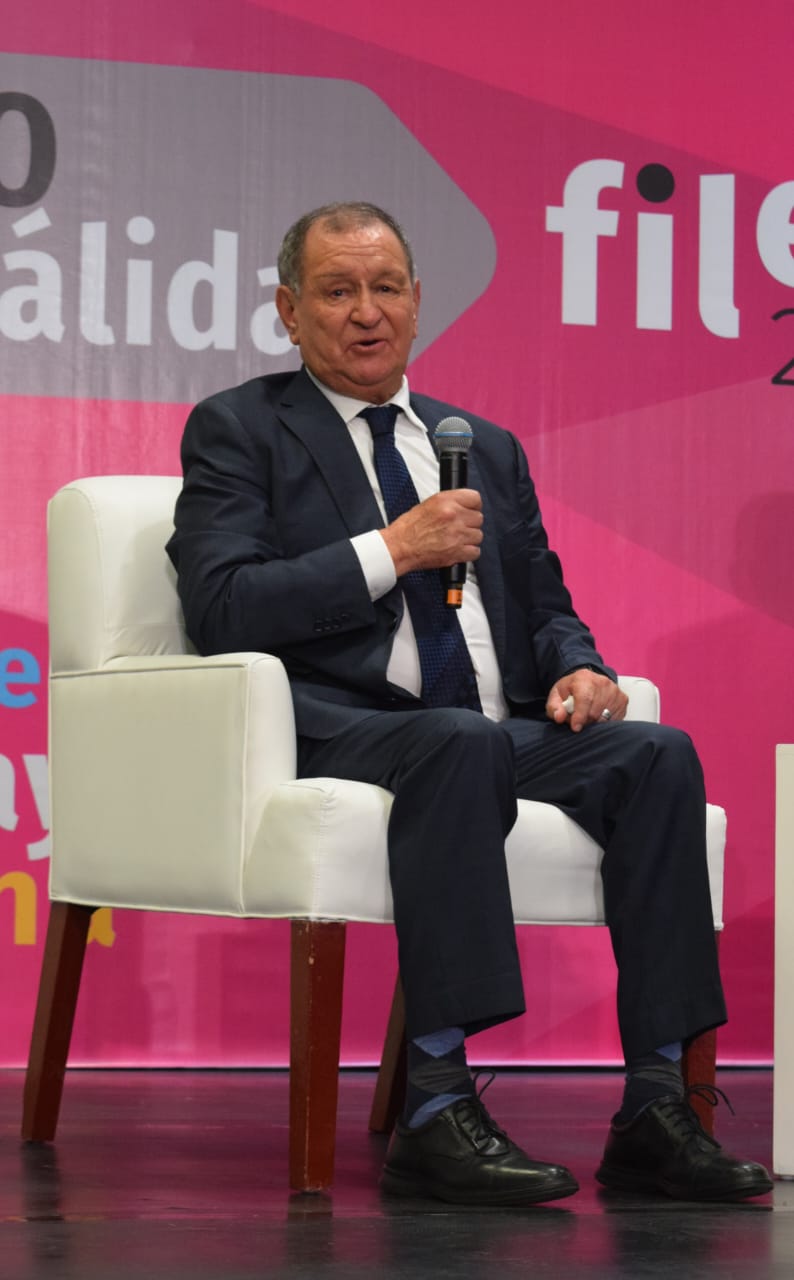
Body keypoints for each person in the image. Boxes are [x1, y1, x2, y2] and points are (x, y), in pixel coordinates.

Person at [167, 201, 772, 1206]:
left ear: (416, 301)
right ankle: (436, 1105)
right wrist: (390, 550)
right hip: (346, 724)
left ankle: (656, 1108)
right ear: (289, 311)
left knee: (655, 751)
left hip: (492, 729)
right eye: (337, 291)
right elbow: (221, 605)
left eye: (385, 288)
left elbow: (545, 603)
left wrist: (580, 667)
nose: (366, 312)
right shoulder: (241, 429)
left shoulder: (480, 445)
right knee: (456, 741)